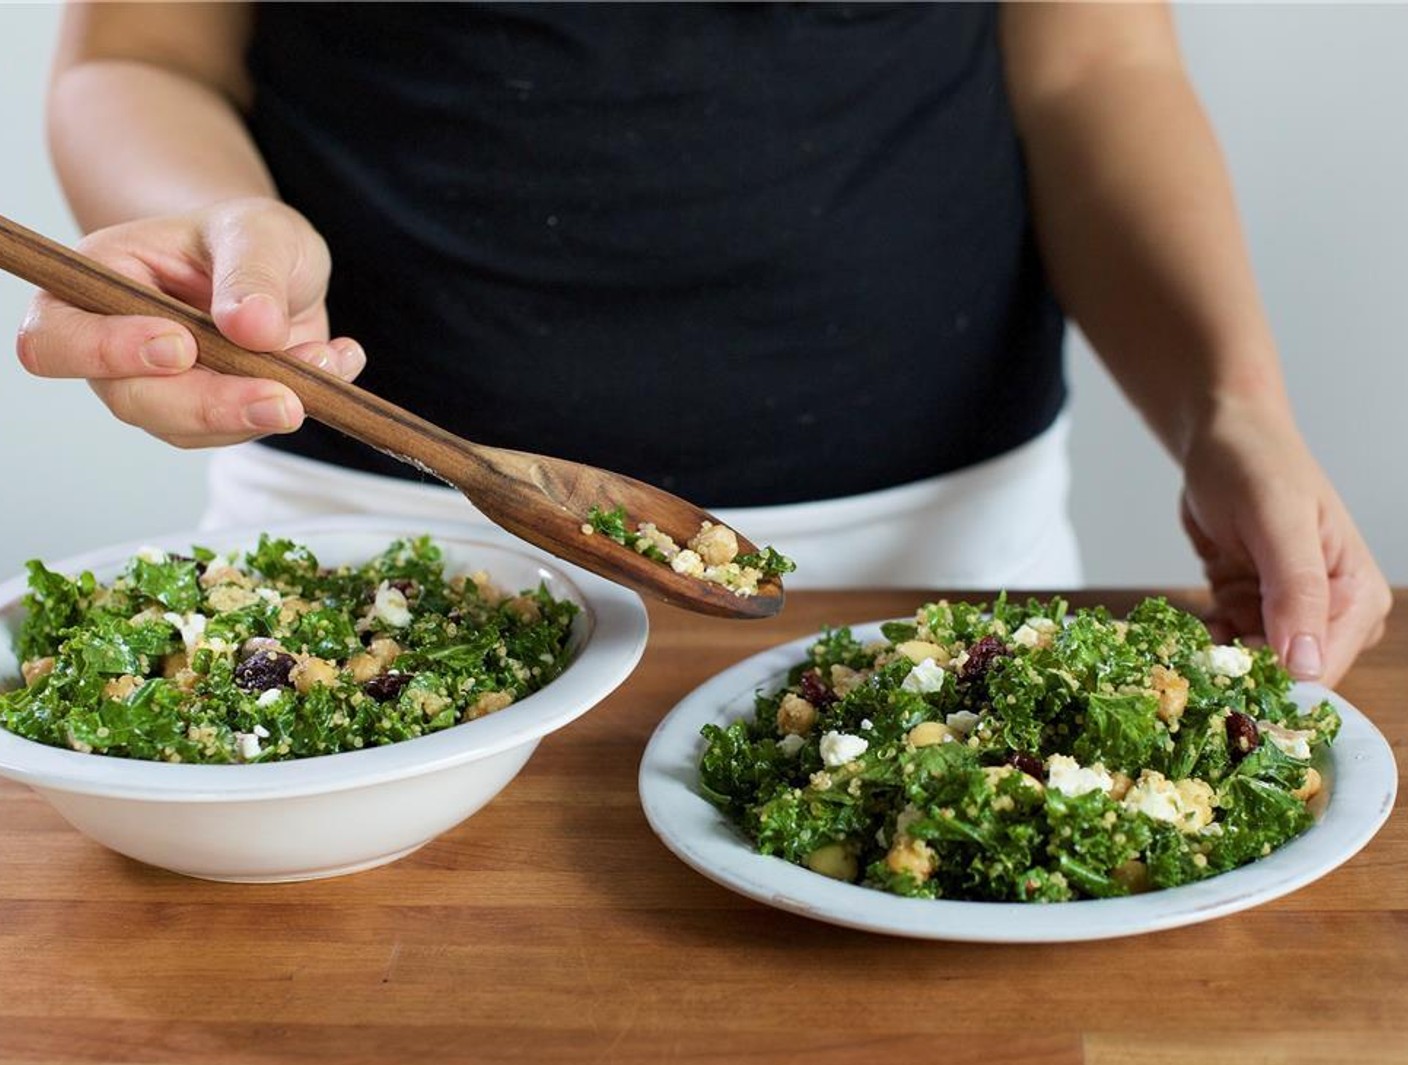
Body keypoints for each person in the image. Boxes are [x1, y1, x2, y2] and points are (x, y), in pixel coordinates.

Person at [17, 2, 1389, 684]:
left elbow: (1093, 63)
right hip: (363, 554)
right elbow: (137, 49)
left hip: (950, 576)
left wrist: (1233, 402)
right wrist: (209, 227)